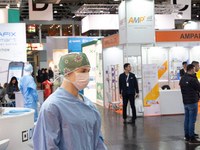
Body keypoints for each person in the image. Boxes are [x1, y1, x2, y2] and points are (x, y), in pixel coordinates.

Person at [33, 52, 107, 150]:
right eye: (83, 71)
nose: (87, 75)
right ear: (67, 72)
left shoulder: (89, 105)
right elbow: (47, 145)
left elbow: (97, 141)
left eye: (88, 71)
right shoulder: (52, 107)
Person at [180, 64, 200, 144]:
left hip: (185, 102)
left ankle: (187, 136)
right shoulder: (193, 79)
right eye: (195, 69)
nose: (195, 70)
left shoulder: (183, 78)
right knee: (192, 120)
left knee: (187, 119)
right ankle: (191, 137)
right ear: (191, 70)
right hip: (192, 101)